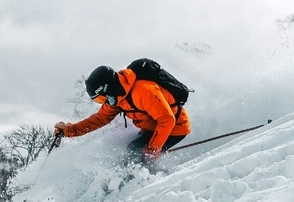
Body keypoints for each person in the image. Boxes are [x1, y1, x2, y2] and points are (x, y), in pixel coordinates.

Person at [54, 64, 191, 160]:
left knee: (134, 151)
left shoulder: (143, 91)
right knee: (129, 150)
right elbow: (99, 119)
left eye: (101, 98)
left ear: (108, 88)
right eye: (99, 100)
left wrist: (152, 150)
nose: (104, 102)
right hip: (151, 128)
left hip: (175, 128)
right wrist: (70, 130)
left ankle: (145, 181)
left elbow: (167, 120)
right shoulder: (117, 98)